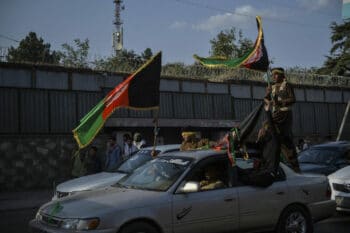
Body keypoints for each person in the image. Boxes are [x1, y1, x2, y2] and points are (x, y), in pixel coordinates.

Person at [264, 67, 300, 173]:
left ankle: (294, 166)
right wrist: (268, 97)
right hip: (275, 113)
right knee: (271, 133)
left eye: (276, 74)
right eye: (273, 75)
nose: (274, 76)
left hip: (285, 114)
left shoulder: (287, 85)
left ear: (281, 75)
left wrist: (280, 102)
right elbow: (266, 99)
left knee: (284, 138)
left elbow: (293, 99)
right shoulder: (272, 87)